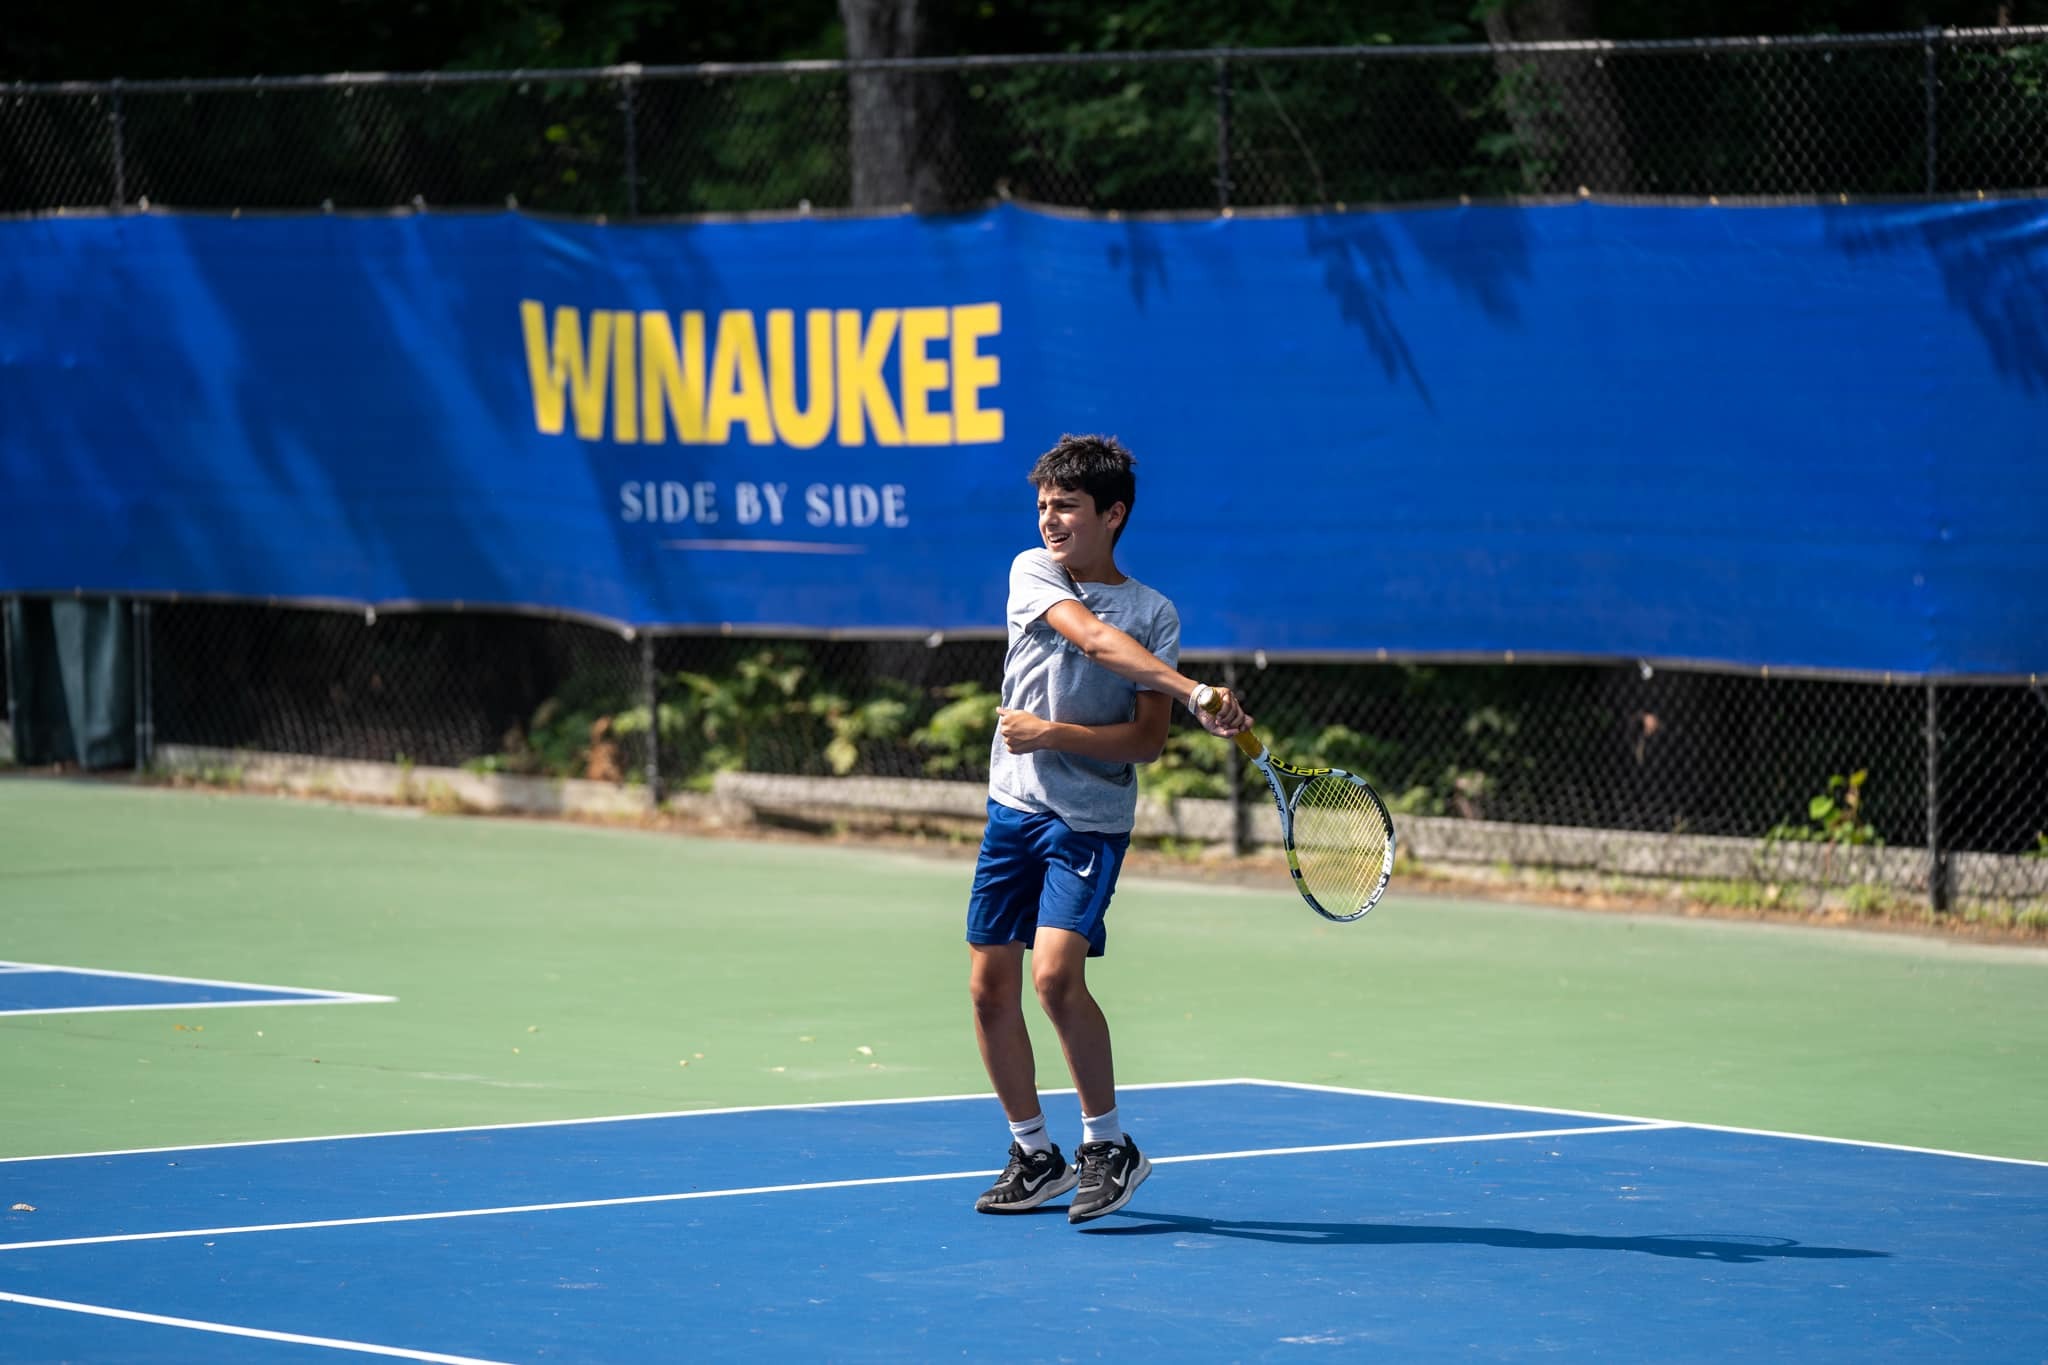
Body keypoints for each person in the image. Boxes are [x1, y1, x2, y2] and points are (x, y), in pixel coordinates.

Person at [967, 433, 1251, 1225]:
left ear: (1113, 512)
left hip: (1088, 823)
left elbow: (1145, 743)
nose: (1050, 520)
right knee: (988, 989)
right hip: (1013, 810)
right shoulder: (1034, 571)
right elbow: (1091, 638)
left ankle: (1107, 1144)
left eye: (1067, 506)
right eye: (1043, 506)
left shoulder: (1154, 613)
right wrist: (1198, 690)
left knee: (1054, 977)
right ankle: (1034, 1154)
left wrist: (1058, 733)